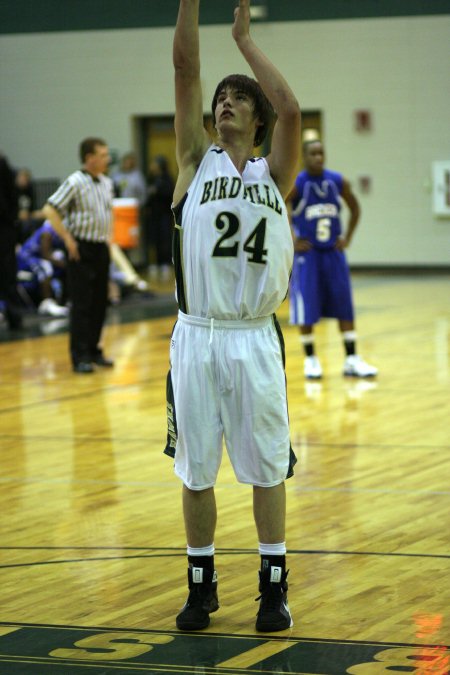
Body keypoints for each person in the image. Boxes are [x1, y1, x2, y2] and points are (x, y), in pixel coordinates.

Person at [164, 0, 301, 633]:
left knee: (266, 465)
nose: (223, 103)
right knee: (196, 469)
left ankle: (273, 587)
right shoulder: (194, 161)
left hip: (252, 336)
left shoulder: (276, 172)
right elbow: (186, 64)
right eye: (219, 98)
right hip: (196, 335)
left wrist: (244, 41)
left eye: (236, 99)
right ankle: (201, 586)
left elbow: (292, 109)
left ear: (255, 116)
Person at [289, 139, 378, 379]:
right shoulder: (297, 183)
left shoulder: (337, 181)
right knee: (307, 307)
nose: (318, 157)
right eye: (313, 153)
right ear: (304, 157)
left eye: (321, 153)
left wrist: (347, 237)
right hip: (308, 256)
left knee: (344, 305)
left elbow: (356, 209)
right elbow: (280, 206)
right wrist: (291, 239)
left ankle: (351, 359)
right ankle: (311, 360)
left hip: (333, 253)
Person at [42, 137, 115, 373]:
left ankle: (94, 350)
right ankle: (80, 356)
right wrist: (67, 239)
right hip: (81, 248)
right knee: (82, 304)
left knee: (100, 303)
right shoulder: (74, 182)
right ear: (89, 158)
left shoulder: (106, 182)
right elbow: (49, 209)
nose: (107, 158)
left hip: (100, 247)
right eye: (102, 155)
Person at [16, 219, 68, 317]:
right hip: (26, 258)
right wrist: (64, 264)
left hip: (38, 256)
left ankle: (64, 300)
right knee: (45, 267)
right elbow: (45, 254)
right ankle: (47, 303)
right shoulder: (47, 231)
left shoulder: (62, 230)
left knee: (60, 257)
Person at [0, 152, 23, 330]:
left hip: (4, 227)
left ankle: (14, 316)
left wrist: (12, 220)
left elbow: (12, 192)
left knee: (8, 273)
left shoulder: (1, 161)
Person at [144, 155, 175, 279]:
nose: (152, 166)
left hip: (165, 215)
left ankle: (165, 264)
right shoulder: (151, 178)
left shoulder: (167, 179)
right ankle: (155, 263)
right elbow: (148, 196)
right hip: (153, 215)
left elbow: (169, 194)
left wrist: (157, 190)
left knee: (165, 240)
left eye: (154, 164)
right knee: (154, 240)